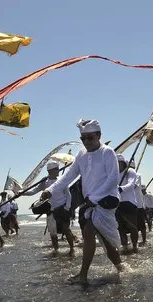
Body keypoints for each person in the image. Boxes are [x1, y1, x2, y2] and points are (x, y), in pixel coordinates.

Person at [41, 119, 124, 284]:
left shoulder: (108, 152)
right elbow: (68, 176)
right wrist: (50, 190)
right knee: (105, 241)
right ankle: (120, 266)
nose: (86, 142)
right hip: (90, 202)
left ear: (99, 135)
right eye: (83, 138)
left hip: (107, 200)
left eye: (90, 138)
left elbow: (113, 179)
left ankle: (83, 275)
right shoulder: (81, 155)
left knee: (88, 233)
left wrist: (94, 197)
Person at [21, 161, 74, 253]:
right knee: (53, 233)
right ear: (50, 171)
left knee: (66, 229)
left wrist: (67, 208)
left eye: (58, 169)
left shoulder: (61, 181)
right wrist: (22, 193)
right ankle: (56, 250)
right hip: (51, 210)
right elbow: (34, 191)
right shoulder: (44, 182)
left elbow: (68, 195)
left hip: (63, 208)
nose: (58, 171)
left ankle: (72, 249)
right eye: (56, 169)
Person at [116, 154, 140, 253]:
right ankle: (125, 245)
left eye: (118, 163)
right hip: (117, 203)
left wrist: (121, 188)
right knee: (120, 227)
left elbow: (131, 184)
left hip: (129, 203)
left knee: (132, 226)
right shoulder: (114, 173)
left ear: (123, 163)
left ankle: (134, 245)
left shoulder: (130, 171)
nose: (116, 165)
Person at [133, 166, 148, 246]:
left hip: (138, 205)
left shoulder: (137, 175)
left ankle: (144, 240)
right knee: (133, 225)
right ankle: (134, 241)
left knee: (142, 225)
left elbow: (134, 185)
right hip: (130, 205)